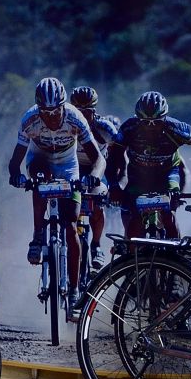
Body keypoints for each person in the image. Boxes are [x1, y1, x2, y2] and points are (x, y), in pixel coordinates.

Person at [7, 76, 103, 299]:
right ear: (38, 109)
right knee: (40, 178)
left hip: (68, 165)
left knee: (71, 225)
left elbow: (98, 159)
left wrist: (94, 177)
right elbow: (14, 161)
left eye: (56, 111)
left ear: (63, 106)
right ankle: (37, 235)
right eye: (45, 112)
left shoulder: (75, 117)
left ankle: (74, 287)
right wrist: (16, 176)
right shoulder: (29, 120)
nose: (51, 117)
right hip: (40, 159)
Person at [108, 90, 191, 239]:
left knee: (168, 214)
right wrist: (114, 185)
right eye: (145, 122)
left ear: (165, 117)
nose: (151, 126)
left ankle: (175, 250)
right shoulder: (129, 128)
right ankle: (132, 250)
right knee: (134, 216)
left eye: (157, 122)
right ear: (137, 118)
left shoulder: (175, 127)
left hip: (167, 174)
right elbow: (114, 157)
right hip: (138, 175)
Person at [69, 85, 121, 267]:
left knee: (98, 204)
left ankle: (96, 245)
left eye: (87, 111)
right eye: (78, 111)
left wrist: (116, 183)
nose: (83, 116)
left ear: (95, 110)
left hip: (96, 170)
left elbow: (120, 155)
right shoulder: (66, 124)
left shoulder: (105, 128)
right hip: (72, 169)